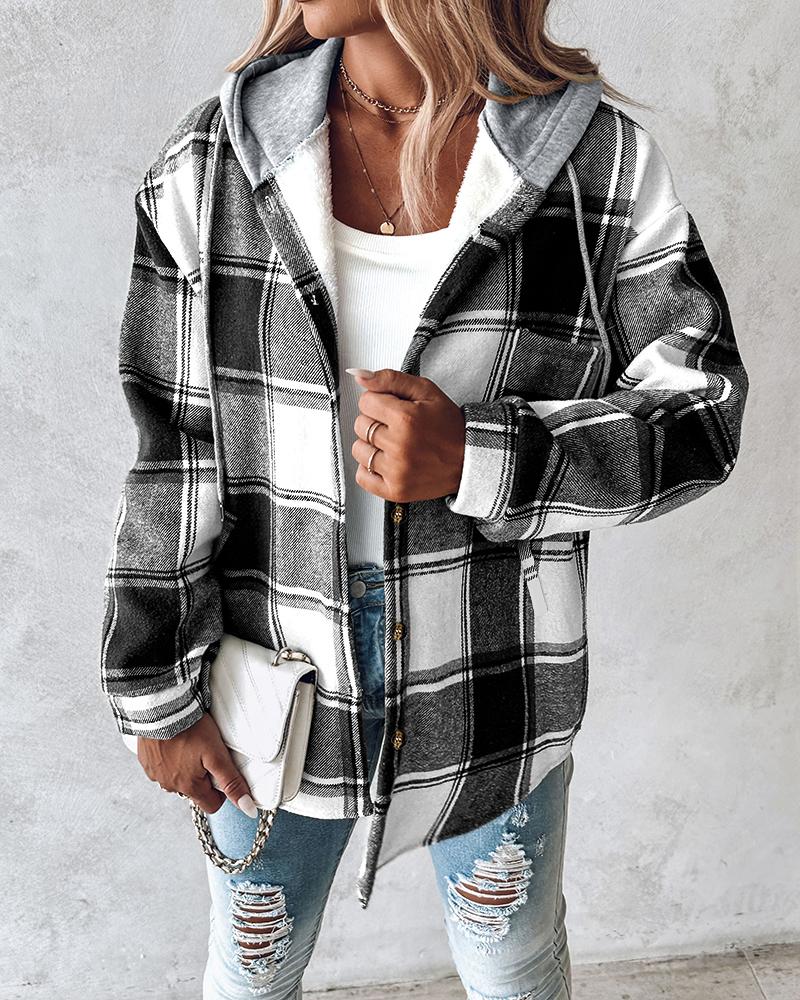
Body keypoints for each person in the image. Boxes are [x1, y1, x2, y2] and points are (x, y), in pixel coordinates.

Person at [100, 1, 750, 997]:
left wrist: (481, 456)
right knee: (252, 968)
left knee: (511, 965)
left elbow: (701, 414)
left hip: (499, 674)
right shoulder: (213, 162)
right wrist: (154, 688)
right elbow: (174, 449)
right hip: (268, 679)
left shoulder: (595, 162)